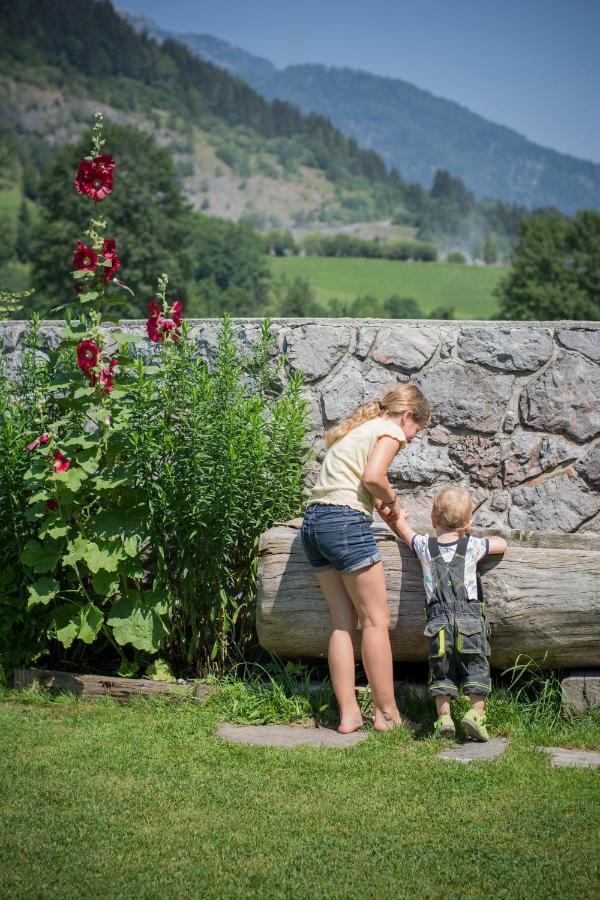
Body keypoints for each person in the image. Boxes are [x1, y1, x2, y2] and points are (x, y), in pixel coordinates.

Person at [301, 383, 430, 733]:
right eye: (415, 432)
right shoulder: (389, 430)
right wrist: (393, 498)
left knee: (342, 622)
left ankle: (348, 714)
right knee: (375, 620)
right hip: (343, 522)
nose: (411, 439)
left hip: (313, 523)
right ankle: (387, 715)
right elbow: (374, 477)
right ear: (407, 416)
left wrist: (383, 503)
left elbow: (357, 482)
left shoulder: (360, 429)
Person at [383, 486, 507, 741]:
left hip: (438, 623)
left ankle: (444, 718)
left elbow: (404, 531)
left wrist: (399, 518)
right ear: (469, 522)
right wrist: (474, 534)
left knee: (441, 669)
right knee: (476, 666)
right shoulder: (473, 545)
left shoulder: (424, 546)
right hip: (470, 620)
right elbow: (501, 544)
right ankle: (476, 714)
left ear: (433, 520)